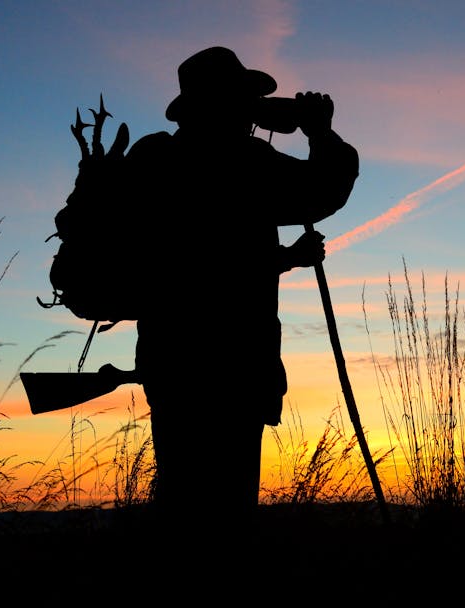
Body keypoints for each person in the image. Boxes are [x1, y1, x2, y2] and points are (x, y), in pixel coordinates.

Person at [122, 46, 359, 532]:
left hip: (171, 360)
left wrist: (286, 258)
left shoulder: (154, 159)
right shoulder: (245, 163)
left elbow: (203, 261)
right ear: (225, 103)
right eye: (244, 100)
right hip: (234, 366)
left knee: (179, 500)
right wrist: (320, 131)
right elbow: (325, 188)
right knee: (226, 514)